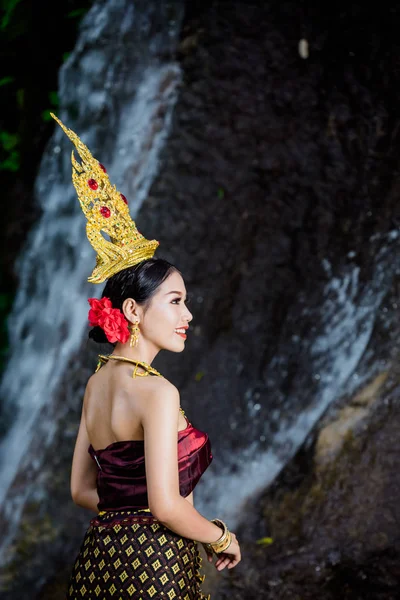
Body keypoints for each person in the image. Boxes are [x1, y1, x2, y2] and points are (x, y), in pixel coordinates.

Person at [51, 114, 241, 600]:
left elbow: (81, 490)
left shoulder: (96, 384)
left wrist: (124, 515)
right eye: (175, 301)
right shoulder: (157, 392)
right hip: (152, 565)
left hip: (99, 561)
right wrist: (220, 535)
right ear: (133, 309)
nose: (188, 315)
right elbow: (166, 506)